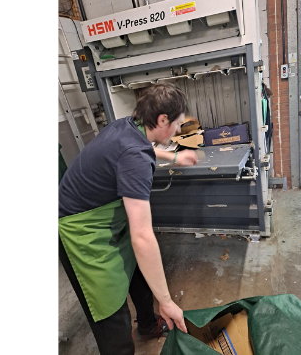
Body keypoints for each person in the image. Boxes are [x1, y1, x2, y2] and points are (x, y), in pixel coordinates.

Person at [59, 83, 198, 355]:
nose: (179, 131)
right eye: (178, 124)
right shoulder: (135, 158)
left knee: (138, 272)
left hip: (102, 217)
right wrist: (167, 301)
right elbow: (142, 235)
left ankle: (147, 325)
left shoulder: (128, 126)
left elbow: (140, 147)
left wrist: (173, 156)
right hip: (78, 230)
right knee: (111, 313)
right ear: (162, 120)